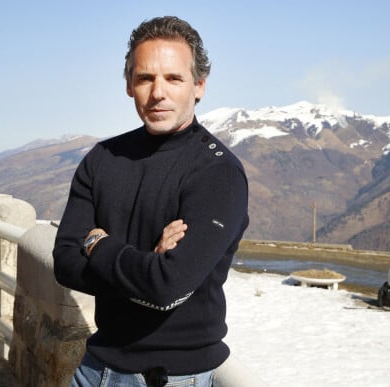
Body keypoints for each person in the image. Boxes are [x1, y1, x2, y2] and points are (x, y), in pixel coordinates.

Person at [53, 15, 249, 387]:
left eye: (174, 78)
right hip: (92, 368)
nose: (158, 92)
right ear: (129, 85)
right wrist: (148, 263)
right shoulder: (102, 158)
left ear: (199, 86)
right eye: (145, 78)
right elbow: (64, 262)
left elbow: (168, 286)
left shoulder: (217, 173)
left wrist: (99, 244)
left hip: (171, 377)